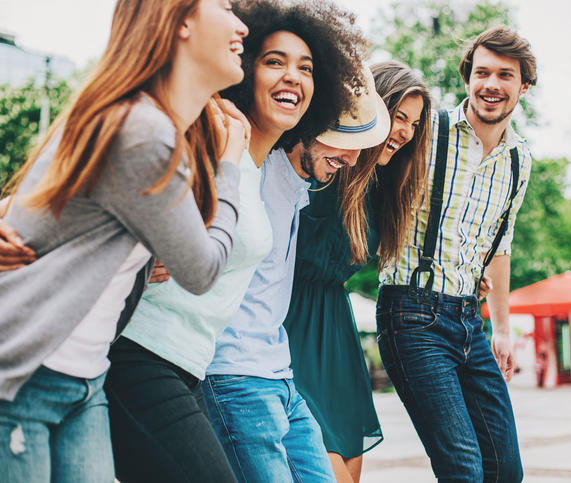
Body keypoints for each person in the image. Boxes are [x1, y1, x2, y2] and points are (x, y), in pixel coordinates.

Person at [0, 0, 368, 481]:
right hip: (66, 362)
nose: (239, 23)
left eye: (306, 67)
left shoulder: (223, 148)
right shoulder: (183, 133)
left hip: (101, 374)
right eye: (274, 60)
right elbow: (47, 197)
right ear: (179, 23)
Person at [107, 0, 366, 481]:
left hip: (193, 367)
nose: (293, 76)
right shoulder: (208, 135)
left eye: (306, 68)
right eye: (274, 62)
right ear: (244, 69)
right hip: (146, 353)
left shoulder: (251, 164)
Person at [202, 65, 390, 481]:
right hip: (234, 375)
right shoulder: (255, 169)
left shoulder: (301, 187)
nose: (353, 158)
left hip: (281, 375)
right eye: (342, 140)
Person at [376, 25, 537, 482]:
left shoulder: (519, 159)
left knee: (505, 470)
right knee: (463, 468)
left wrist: (502, 329)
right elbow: (372, 180)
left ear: (523, 86)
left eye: (505, 75)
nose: (491, 84)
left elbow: (499, 245)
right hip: (411, 315)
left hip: (470, 319)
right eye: (481, 72)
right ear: (468, 78)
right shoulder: (426, 131)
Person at [282, 60, 432, 483]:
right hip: (286, 322)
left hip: (336, 331)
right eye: (398, 116)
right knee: (324, 472)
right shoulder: (317, 166)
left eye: (414, 124)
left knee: (349, 470)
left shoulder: (381, 189)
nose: (404, 131)